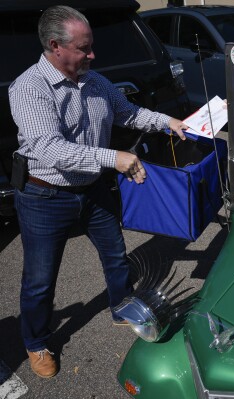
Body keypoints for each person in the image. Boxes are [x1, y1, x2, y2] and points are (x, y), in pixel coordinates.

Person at [8, 5, 188, 378]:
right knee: (40, 281)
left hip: (92, 189)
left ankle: (121, 306)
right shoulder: (29, 88)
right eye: (83, 48)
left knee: (115, 255)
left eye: (91, 47)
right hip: (45, 196)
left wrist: (167, 121)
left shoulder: (95, 81)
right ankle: (36, 342)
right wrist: (113, 157)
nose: (92, 55)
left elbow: (128, 113)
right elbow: (50, 149)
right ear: (55, 46)